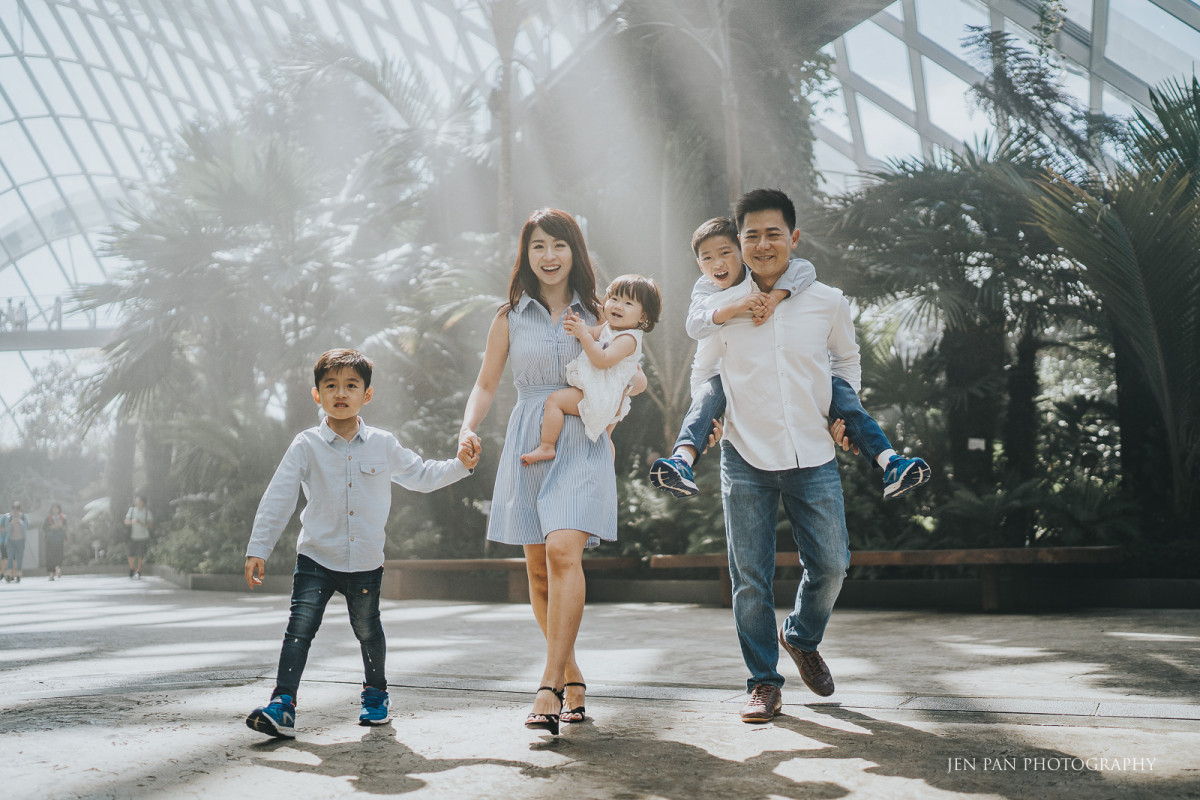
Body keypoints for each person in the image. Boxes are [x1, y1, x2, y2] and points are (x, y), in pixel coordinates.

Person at [459, 208, 647, 735]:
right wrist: (467, 428)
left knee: (565, 551)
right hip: (529, 435)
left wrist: (611, 401)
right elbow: (486, 383)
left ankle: (547, 685)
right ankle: (572, 675)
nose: (548, 256)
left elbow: (635, 375)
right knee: (538, 569)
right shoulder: (509, 315)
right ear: (526, 254)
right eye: (538, 246)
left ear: (575, 252)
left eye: (559, 245)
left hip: (582, 438)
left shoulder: (601, 312)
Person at [243, 348, 477, 739]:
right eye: (330, 385)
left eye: (351, 385)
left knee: (368, 629)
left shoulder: (383, 444)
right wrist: (258, 548)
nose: (341, 393)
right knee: (299, 629)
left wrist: (462, 465)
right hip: (316, 557)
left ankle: (376, 697)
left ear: (366, 394)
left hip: (365, 562)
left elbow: (420, 475)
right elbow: (278, 496)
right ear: (316, 395)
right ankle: (282, 705)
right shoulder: (305, 445)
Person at [716, 188, 870, 723]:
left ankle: (801, 636)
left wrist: (843, 414)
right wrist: (708, 416)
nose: (762, 244)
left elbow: (846, 361)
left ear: (793, 238)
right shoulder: (721, 304)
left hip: (813, 449)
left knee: (832, 563)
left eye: (772, 233)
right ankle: (762, 682)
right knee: (750, 577)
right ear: (739, 242)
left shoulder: (826, 299)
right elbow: (703, 372)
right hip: (744, 452)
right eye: (751, 235)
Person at [649, 217, 931, 500]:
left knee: (841, 392)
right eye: (707, 258)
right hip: (740, 407)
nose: (717, 263)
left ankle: (891, 463)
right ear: (699, 264)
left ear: (742, 253)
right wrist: (736, 307)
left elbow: (804, 268)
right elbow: (695, 329)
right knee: (709, 390)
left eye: (725, 252)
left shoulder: (762, 277)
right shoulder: (706, 291)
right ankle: (681, 460)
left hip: (806, 408)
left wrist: (774, 298)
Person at [521, 274, 661, 465]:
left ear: (643, 315)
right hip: (607, 393)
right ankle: (607, 478)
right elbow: (593, 332)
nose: (618, 306)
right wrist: (579, 327)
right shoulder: (611, 327)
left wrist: (584, 336)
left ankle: (547, 446)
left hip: (602, 394)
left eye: (628, 303)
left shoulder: (628, 339)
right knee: (605, 440)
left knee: (555, 401)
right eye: (614, 298)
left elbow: (602, 360)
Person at [1, 502, 30, 583]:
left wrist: (20, 523)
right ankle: (9, 574)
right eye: (14, 509)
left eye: (17, 509)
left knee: (19, 558)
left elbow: (26, 527)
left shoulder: (23, 517)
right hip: (10, 541)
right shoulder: (9, 518)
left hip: (20, 541)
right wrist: (11, 524)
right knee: (10, 557)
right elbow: (7, 529)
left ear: (19, 509)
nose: (15, 511)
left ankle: (18, 573)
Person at [124, 496, 153, 578]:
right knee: (130, 554)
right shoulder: (132, 510)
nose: (137, 503)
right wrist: (133, 521)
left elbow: (150, 525)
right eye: (136, 501)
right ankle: (132, 568)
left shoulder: (147, 512)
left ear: (143, 502)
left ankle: (139, 570)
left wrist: (141, 523)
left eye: (139, 501)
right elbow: (126, 521)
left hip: (143, 536)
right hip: (132, 536)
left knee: (141, 555)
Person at [43, 504, 68, 580]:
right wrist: (52, 527)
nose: (55, 510)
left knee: (59, 555)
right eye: (54, 509)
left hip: (59, 539)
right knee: (50, 557)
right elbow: (44, 528)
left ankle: (57, 568)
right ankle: (51, 574)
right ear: (51, 509)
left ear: (59, 509)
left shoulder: (63, 518)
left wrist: (61, 526)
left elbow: (65, 527)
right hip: (50, 540)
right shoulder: (48, 518)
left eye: (57, 509)